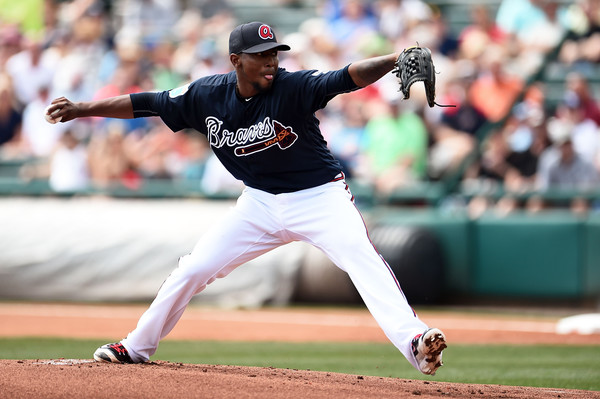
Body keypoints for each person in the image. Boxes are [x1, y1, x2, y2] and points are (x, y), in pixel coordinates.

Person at [45, 21, 447, 375]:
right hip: (258, 204)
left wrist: (395, 58)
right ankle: (135, 347)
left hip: (319, 198)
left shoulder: (293, 86)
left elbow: (344, 77)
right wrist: (82, 108)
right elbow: (146, 103)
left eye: (274, 53)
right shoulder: (206, 95)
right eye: (260, 55)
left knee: (362, 259)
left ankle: (415, 342)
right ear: (236, 60)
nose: (271, 61)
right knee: (193, 268)